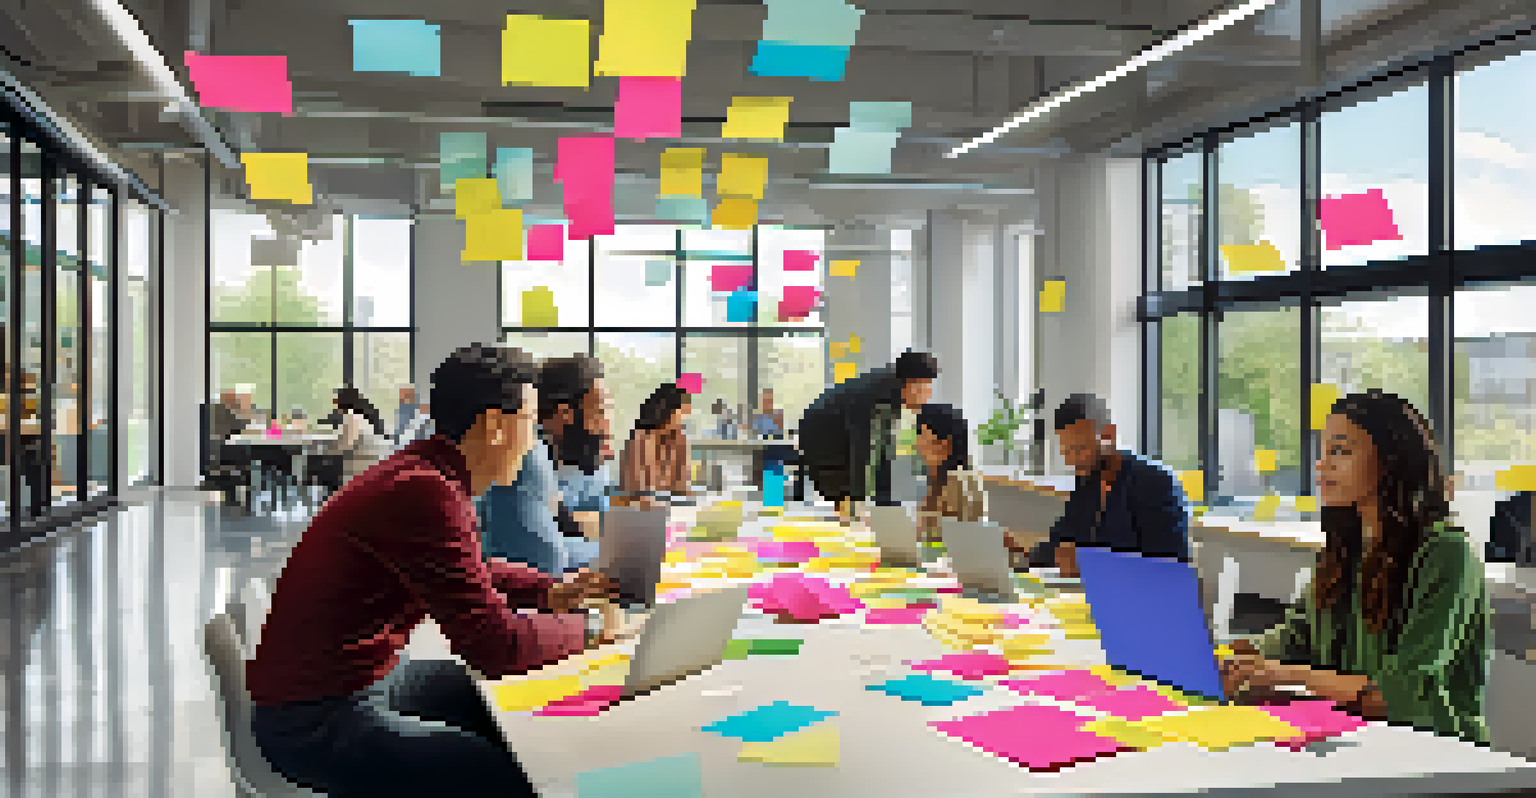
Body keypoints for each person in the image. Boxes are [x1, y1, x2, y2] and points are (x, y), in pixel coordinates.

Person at [247, 343, 618, 798]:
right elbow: (493, 644)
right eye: (530, 420)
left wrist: (551, 593)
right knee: (499, 773)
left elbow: (469, 567)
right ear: (496, 427)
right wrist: (590, 630)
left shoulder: (425, 472)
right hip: (314, 717)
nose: (535, 439)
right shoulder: (425, 491)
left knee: (498, 702)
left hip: (355, 681)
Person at [1220, 390, 1489, 744]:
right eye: (1323, 452)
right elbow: (1295, 637)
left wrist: (1286, 675)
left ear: (1391, 461)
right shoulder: (1344, 550)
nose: (1322, 465)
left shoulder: (1446, 553)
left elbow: (1405, 695)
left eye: (1340, 451)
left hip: (1436, 757)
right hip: (1353, 743)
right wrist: (1233, 655)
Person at [1028, 394, 1190, 576]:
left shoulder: (1154, 483)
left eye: (1080, 449)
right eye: (1066, 452)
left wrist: (1088, 564)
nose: (1072, 461)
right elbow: (1060, 540)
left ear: (1109, 435)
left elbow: (1170, 569)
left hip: (1139, 600)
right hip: (1092, 597)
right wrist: (1020, 556)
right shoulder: (1087, 480)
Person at [797, 349, 939, 519]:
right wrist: (861, 499)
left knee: (860, 484)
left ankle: (858, 516)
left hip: (831, 427)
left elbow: (883, 448)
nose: (927, 397)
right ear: (910, 385)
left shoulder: (891, 392)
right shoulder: (874, 396)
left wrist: (886, 501)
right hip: (821, 431)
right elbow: (861, 449)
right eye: (924, 390)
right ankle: (849, 523)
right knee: (844, 490)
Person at [912, 404, 985, 542]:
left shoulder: (959, 483)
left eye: (921, 434)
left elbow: (946, 541)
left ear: (944, 444)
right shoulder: (936, 479)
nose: (917, 443)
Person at [617, 382, 692, 506]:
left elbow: (682, 487)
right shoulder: (639, 440)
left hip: (667, 510)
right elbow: (635, 492)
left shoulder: (678, 439)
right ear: (667, 409)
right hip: (638, 512)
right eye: (683, 410)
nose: (685, 416)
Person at [325, 386, 394, 485]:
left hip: (359, 473)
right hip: (374, 470)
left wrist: (330, 446)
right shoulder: (366, 418)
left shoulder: (351, 417)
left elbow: (346, 445)